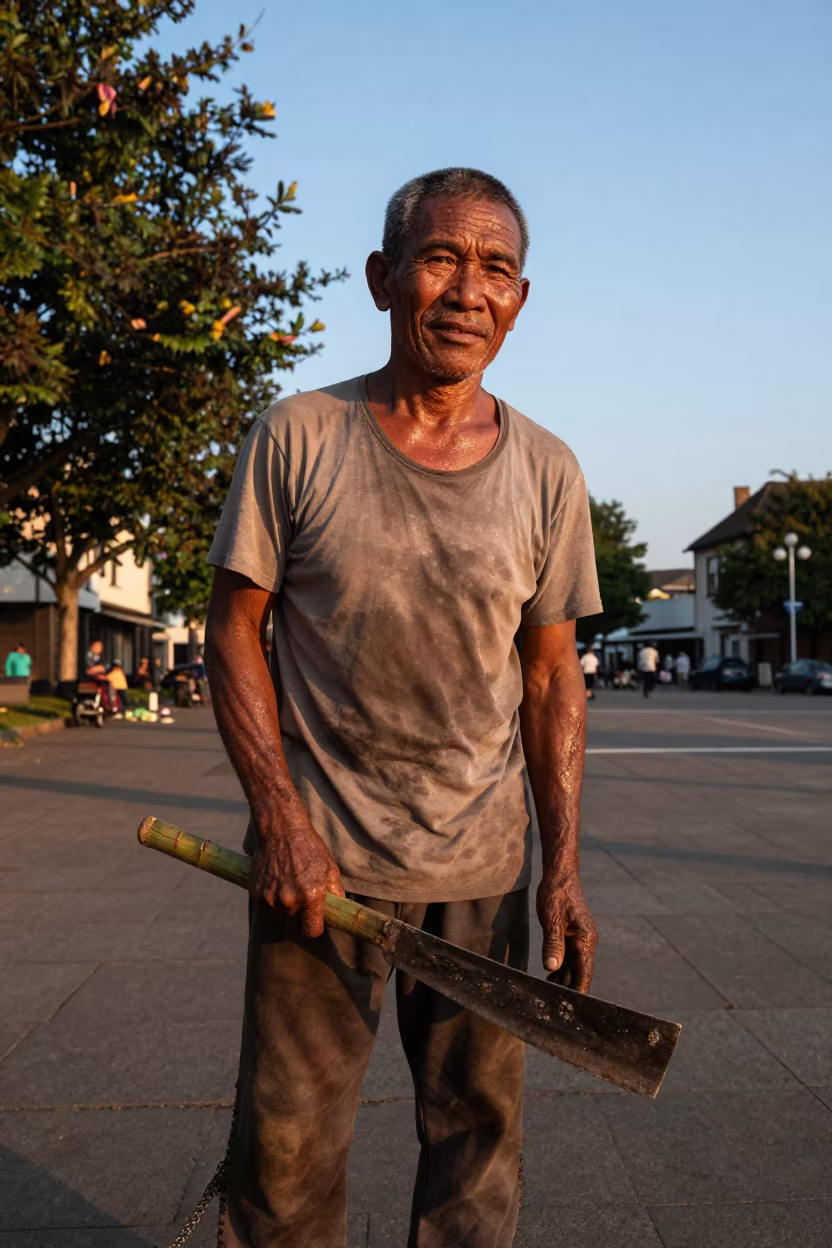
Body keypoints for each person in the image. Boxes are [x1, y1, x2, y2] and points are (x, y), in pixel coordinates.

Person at [205, 167, 602, 1248]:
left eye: (497, 268)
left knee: (477, 1160)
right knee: (283, 1164)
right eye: (440, 258)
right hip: (318, 878)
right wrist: (281, 823)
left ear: (520, 299)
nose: (468, 290)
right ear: (384, 279)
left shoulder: (548, 471)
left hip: (481, 878)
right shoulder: (300, 437)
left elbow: (551, 675)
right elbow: (232, 628)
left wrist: (559, 865)